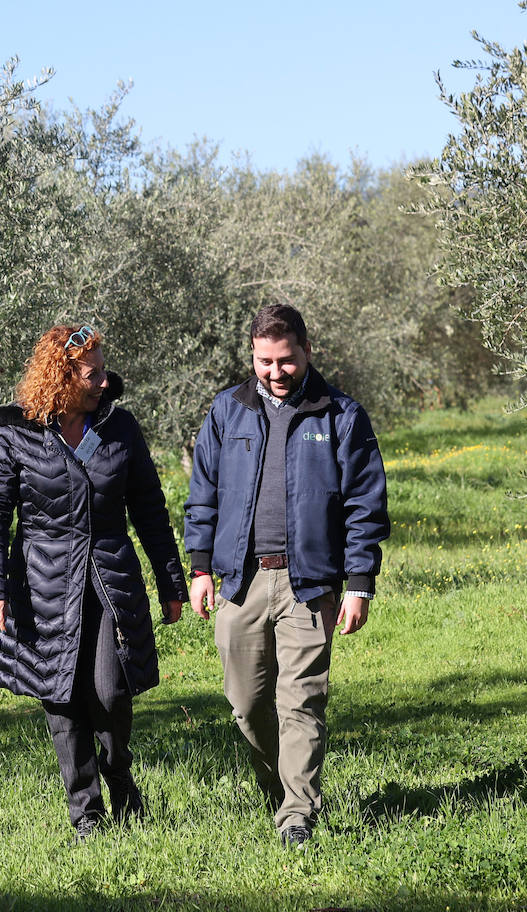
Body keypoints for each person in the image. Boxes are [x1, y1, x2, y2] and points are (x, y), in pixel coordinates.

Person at [183, 303, 389, 847]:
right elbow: (202, 494)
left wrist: (360, 582)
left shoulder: (341, 416)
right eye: (264, 361)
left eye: (285, 360)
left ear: (307, 352)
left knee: (300, 701)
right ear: (253, 356)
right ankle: (279, 790)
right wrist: (199, 568)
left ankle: (298, 814)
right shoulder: (228, 410)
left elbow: (365, 506)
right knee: (247, 707)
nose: (275, 372)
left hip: (310, 585)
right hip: (241, 582)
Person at [0, 323, 186, 840]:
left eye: (102, 371)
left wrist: (171, 580)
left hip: (111, 582)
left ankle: (121, 780)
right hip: (42, 589)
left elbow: (151, 512)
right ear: (62, 376)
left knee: (111, 694)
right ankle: (85, 813)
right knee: (62, 698)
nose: (104, 382)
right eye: (92, 374)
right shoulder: (18, 434)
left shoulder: (120, 429)